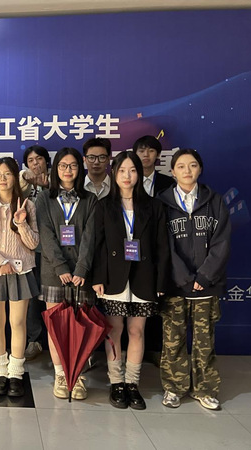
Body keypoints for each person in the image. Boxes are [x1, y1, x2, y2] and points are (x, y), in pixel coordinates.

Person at [92, 151, 169, 410]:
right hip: (113, 279)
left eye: (133, 170)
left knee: (137, 331)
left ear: (139, 173)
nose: (127, 176)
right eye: (122, 170)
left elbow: (162, 247)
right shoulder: (104, 206)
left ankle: (132, 383)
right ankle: (116, 382)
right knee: (114, 331)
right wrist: (98, 277)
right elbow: (98, 245)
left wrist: (160, 282)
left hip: (143, 278)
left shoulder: (154, 206)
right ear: (114, 173)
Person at [157, 149, 231, 411]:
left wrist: (205, 276)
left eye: (192, 165)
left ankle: (205, 389)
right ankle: (174, 387)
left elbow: (222, 242)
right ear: (172, 171)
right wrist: (184, 277)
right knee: (173, 340)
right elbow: (163, 246)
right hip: (175, 286)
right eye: (181, 166)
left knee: (204, 341)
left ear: (200, 168)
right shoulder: (162, 203)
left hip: (206, 286)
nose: (187, 171)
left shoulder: (215, 201)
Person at [0, 157, 39, 397]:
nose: (2, 179)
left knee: (18, 323)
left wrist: (21, 224)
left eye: (7, 174)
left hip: (21, 271)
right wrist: (1, 262)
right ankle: (0, 372)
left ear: (15, 177)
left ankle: (16, 373)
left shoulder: (28, 205)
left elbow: (33, 243)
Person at [36, 148, 97, 400]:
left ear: (79, 169)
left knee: (80, 327)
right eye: (63, 165)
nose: (68, 170)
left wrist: (81, 269)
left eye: (72, 165)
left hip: (82, 274)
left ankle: (78, 374)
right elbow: (46, 234)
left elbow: (91, 238)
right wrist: (61, 267)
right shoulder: (44, 198)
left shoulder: (90, 199)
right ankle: (61, 374)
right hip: (54, 272)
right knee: (56, 327)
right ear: (56, 169)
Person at [132, 135, 176, 366]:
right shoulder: (127, 181)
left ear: (158, 155)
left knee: (157, 301)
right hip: (130, 250)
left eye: (150, 151)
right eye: (141, 150)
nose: (145, 155)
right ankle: (130, 350)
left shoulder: (168, 184)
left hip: (159, 247)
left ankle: (154, 349)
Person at [19, 145, 51, 361]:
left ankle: (57, 338)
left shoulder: (57, 180)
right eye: (30, 160)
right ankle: (35, 340)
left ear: (47, 161)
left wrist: (48, 185)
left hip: (53, 248)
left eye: (39, 159)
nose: (35, 163)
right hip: (29, 248)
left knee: (54, 295)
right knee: (31, 295)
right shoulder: (24, 184)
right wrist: (24, 176)